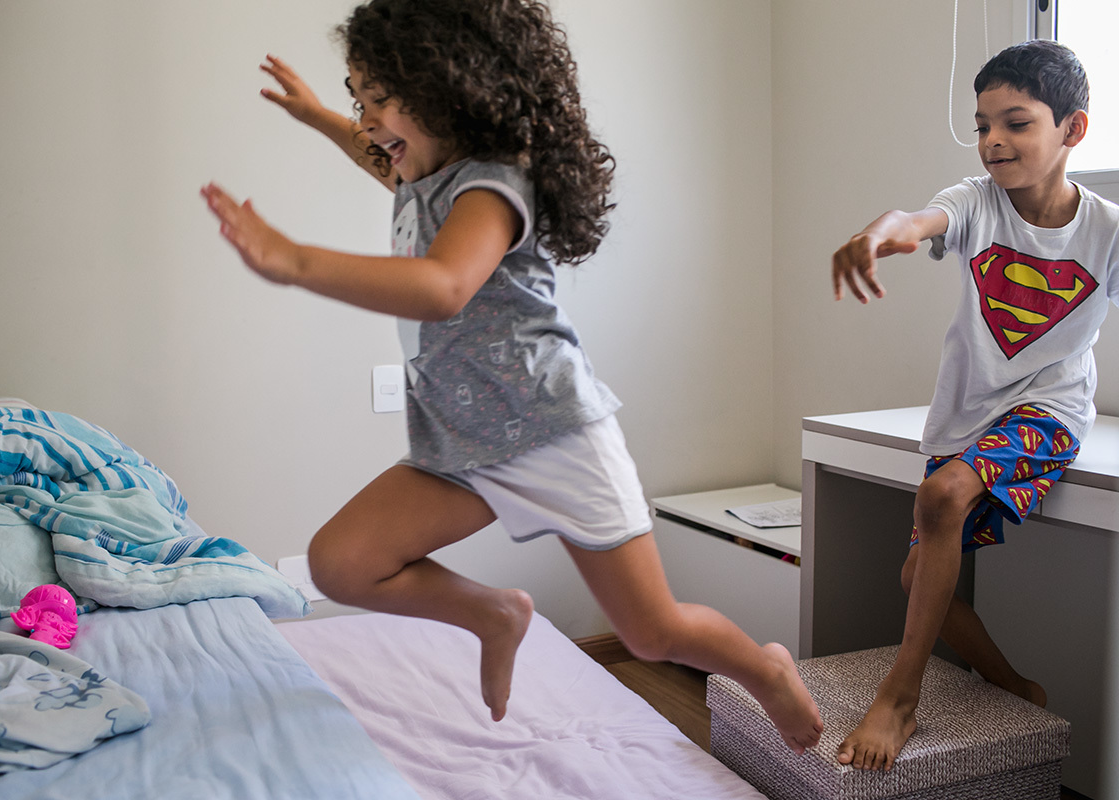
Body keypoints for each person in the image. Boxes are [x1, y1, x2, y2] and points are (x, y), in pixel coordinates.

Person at [201, 0, 823, 754]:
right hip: (464, 440)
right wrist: (321, 117)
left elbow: (443, 286)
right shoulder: (417, 174)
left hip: (552, 431)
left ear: (448, 90)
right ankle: (494, 613)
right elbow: (375, 156)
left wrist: (293, 259)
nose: (367, 121)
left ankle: (767, 671)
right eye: (359, 99)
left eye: (378, 100)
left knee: (651, 632)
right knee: (342, 563)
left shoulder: (492, 186)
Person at [831, 38, 1119, 771]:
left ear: (1072, 130)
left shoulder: (1107, 231)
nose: (994, 141)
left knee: (944, 492)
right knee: (914, 572)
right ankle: (1013, 683)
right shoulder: (976, 202)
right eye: (983, 124)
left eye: (1016, 123)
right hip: (968, 413)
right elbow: (916, 220)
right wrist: (875, 235)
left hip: (1050, 411)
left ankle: (900, 695)